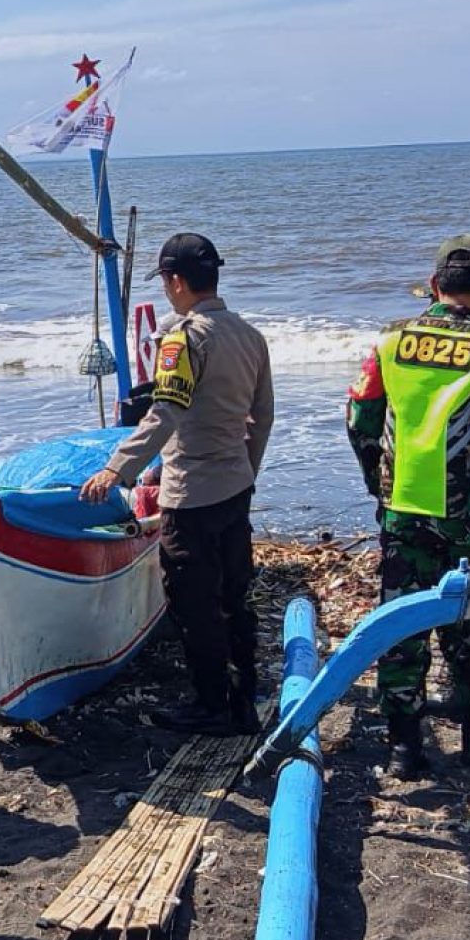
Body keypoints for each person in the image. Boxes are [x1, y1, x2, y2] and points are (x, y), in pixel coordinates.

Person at [81, 233, 275, 735]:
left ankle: (213, 706)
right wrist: (245, 467)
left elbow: (164, 412)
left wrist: (115, 468)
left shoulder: (185, 339)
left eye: (167, 282)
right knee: (235, 594)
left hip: (191, 493)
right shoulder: (250, 335)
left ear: (177, 282)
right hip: (235, 485)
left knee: (194, 602)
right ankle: (244, 691)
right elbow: (264, 415)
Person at [346, 234, 470, 779]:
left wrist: (382, 486)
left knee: (401, 623)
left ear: (435, 282)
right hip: (467, 517)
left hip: (403, 507)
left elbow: (359, 421)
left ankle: (404, 748)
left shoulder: (389, 343)